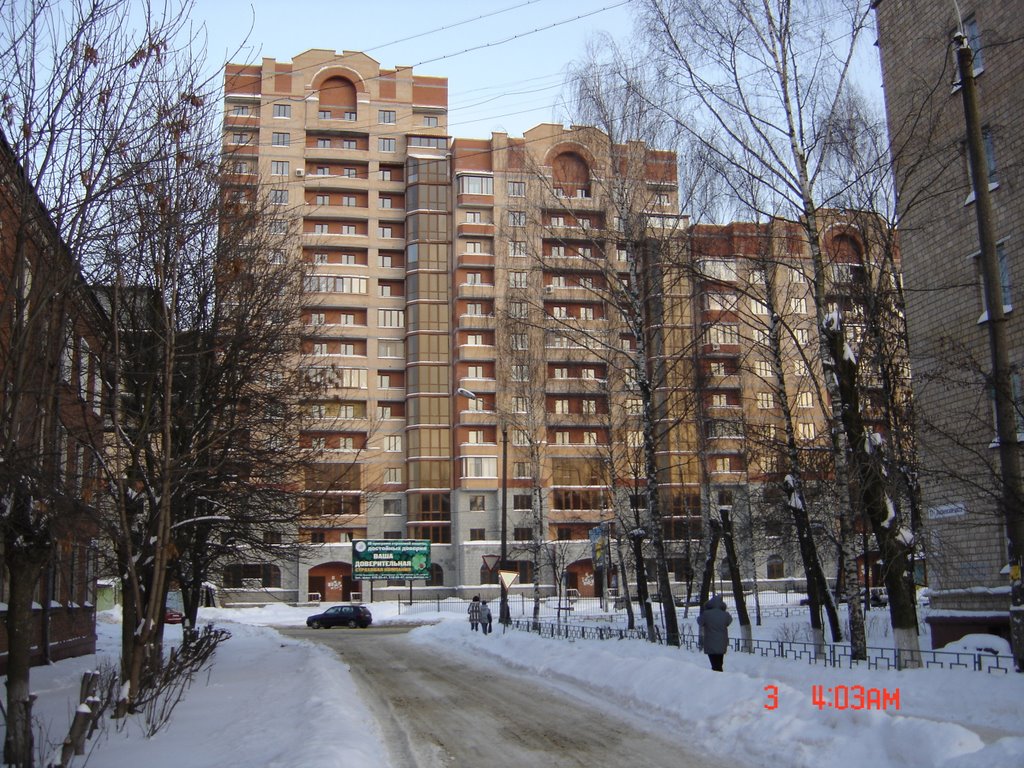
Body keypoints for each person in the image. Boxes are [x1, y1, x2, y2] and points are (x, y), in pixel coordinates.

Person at [696, 594, 732, 671]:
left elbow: (700, 622)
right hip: (722, 641)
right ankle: (719, 675)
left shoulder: (706, 614)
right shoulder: (725, 614)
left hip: (710, 642)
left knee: (714, 663)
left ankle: (717, 677)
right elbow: (729, 622)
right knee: (720, 662)